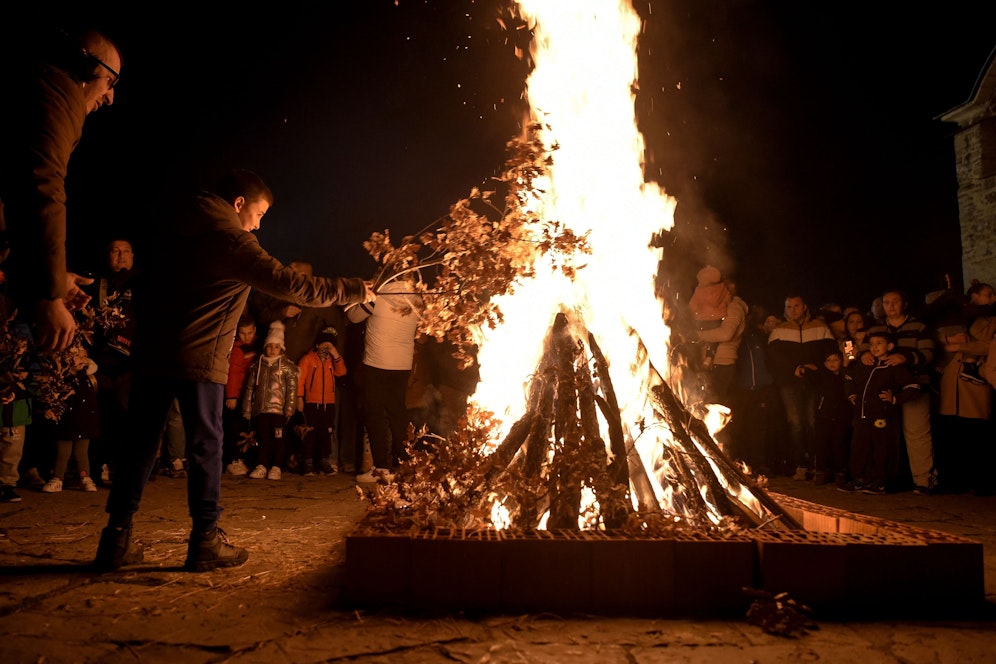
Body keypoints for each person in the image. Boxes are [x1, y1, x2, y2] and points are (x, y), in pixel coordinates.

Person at [93, 169, 374, 572]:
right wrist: (353, 288)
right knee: (206, 446)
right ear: (239, 203)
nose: (259, 224)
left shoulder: (170, 227)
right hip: (200, 359)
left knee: (139, 445)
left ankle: (114, 540)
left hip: (153, 355)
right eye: (258, 213)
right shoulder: (232, 242)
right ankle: (205, 540)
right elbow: (294, 285)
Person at [0, 24, 121, 352]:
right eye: (110, 81)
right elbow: (42, 186)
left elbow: (16, 199)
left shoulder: (36, 86)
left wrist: (50, 277)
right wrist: (50, 295)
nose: (110, 97)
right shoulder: (58, 92)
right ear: (84, 64)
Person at [861, 289, 939, 495]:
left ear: (904, 304)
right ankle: (885, 479)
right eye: (887, 302)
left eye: (895, 301)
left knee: (917, 433)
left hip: (914, 387)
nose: (891, 306)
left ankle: (924, 480)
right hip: (883, 393)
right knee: (885, 437)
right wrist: (859, 356)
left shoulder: (919, 327)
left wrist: (907, 358)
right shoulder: (874, 328)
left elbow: (929, 352)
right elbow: (851, 346)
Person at [347, 275, 423, 482]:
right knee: (398, 414)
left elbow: (353, 316)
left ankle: (381, 468)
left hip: (377, 362)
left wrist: (361, 293)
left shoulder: (378, 297)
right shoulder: (417, 299)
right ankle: (408, 464)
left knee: (374, 415)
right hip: (403, 364)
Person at [766, 294, 837, 480]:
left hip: (814, 382)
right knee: (795, 424)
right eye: (789, 307)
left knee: (814, 423)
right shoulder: (779, 330)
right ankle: (799, 464)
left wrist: (816, 367)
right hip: (789, 384)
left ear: (805, 306)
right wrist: (793, 368)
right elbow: (773, 359)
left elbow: (831, 352)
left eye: (796, 306)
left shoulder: (820, 328)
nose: (793, 310)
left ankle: (816, 463)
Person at [842, 331, 922, 494]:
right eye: (871, 344)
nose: (874, 347)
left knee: (881, 448)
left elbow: (913, 387)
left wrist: (895, 399)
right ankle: (860, 478)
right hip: (862, 415)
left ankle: (880, 481)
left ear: (890, 346)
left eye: (879, 343)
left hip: (882, 416)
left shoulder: (894, 367)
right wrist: (852, 395)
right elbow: (849, 375)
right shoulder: (863, 361)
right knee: (860, 446)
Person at [90, 238, 139, 486]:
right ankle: (99, 466)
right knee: (99, 417)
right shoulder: (96, 283)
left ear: (133, 256)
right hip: (99, 361)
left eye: (125, 251)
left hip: (131, 360)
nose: (120, 256)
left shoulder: (142, 282)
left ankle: (128, 469)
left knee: (127, 415)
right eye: (115, 250)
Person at [243, 322, 298, 480]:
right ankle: (261, 465)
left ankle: (276, 466)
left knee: (279, 440)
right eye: (269, 346)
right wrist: (247, 409)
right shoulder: (257, 367)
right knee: (263, 439)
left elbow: (292, 389)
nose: (272, 349)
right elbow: (249, 389)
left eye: (276, 346)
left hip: (279, 412)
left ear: (281, 348)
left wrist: (289, 408)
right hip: (261, 411)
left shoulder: (287, 368)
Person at [41, 345, 100, 493]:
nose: (79, 359)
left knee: (81, 452)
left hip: (84, 422)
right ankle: (57, 478)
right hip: (66, 422)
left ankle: (85, 477)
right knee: (63, 452)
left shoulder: (88, 377)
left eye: (82, 355)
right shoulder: (61, 377)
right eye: (75, 355)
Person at [296, 327, 347, 475]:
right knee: (309, 433)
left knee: (326, 434)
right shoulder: (308, 359)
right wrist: (299, 398)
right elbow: (299, 379)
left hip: (328, 403)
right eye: (323, 345)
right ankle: (308, 463)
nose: (326, 348)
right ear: (317, 345)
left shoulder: (332, 361)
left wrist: (335, 354)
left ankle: (324, 461)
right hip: (312, 402)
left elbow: (342, 372)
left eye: (329, 346)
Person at [808, 349, 853, 488]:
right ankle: (821, 472)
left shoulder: (846, 375)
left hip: (841, 416)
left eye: (835, 360)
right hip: (824, 416)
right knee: (822, 445)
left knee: (840, 444)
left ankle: (840, 473)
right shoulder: (821, 376)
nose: (832, 363)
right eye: (828, 360)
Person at [223, 315, 259, 476]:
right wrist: (231, 396)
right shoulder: (237, 350)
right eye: (243, 333)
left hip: (249, 396)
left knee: (246, 427)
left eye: (249, 333)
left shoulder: (256, 346)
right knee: (233, 428)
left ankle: (243, 457)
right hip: (237, 397)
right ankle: (232, 459)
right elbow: (234, 375)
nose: (246, 337)